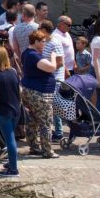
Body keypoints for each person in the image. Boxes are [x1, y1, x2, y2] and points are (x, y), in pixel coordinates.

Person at [21, 30, 60, 158]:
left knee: (32, 120)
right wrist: (53, 57)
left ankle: (34, 146)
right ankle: (47, 150)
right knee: (46, 122)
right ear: (36, 42)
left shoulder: (27, 53)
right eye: (43, 42)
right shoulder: (33, 55)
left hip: (30, 90)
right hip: (39, 93)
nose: (44, 44)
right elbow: (51, 68)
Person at [0, 46, 21, 176]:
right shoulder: (13, 72)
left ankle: (13, 169)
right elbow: (19, 91)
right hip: (16, 109)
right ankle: (11, 163)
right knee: (11, 137)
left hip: (3, 111)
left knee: (9, 140)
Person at [39, 19, 66, 141]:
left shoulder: (54, 43)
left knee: (53, 105)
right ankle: (55, 131)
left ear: (44, 30)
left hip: (55, 79)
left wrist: (48, 67)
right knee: (51, 105)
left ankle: (59, 132)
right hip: (48, 78)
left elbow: (60, 62)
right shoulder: (46, 42)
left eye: (39, 29)